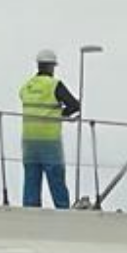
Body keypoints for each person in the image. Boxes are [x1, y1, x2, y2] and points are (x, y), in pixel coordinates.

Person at [18, 48, 81, 209]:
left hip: (28, 141)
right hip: (49, 140)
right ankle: (63, 211)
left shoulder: (27, 86)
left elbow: (24, 99)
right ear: (52, 66)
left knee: (31, 178)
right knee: (56, 178)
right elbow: (75, 105)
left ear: (38, 65)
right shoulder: (54, 85)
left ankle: (30, 212)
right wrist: (61, 114)